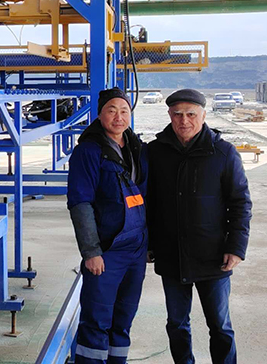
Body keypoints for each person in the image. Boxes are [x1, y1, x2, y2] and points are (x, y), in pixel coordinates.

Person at [147, 89, 252, 364]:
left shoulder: (223, 153)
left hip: (213, 256)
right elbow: (148, 203)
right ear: (169, 115)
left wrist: (236, 247)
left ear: (203, 116)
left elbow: (240, 203)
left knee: (220, 325)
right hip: (171, 254)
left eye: (191, 114)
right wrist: (149, 244)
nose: (184, 120)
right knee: (177, 324)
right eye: (178, 114)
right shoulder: (155, 152)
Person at [67, 87, 148, 364]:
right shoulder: (88, 152)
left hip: (136, 250)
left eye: (124, 111)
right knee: (96, 321)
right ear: (100, 114)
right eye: (111, 111)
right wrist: (91, 251)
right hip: (107, 250)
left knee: (123, 319)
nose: (118, 117)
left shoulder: (136, 148)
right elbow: (80, 204)